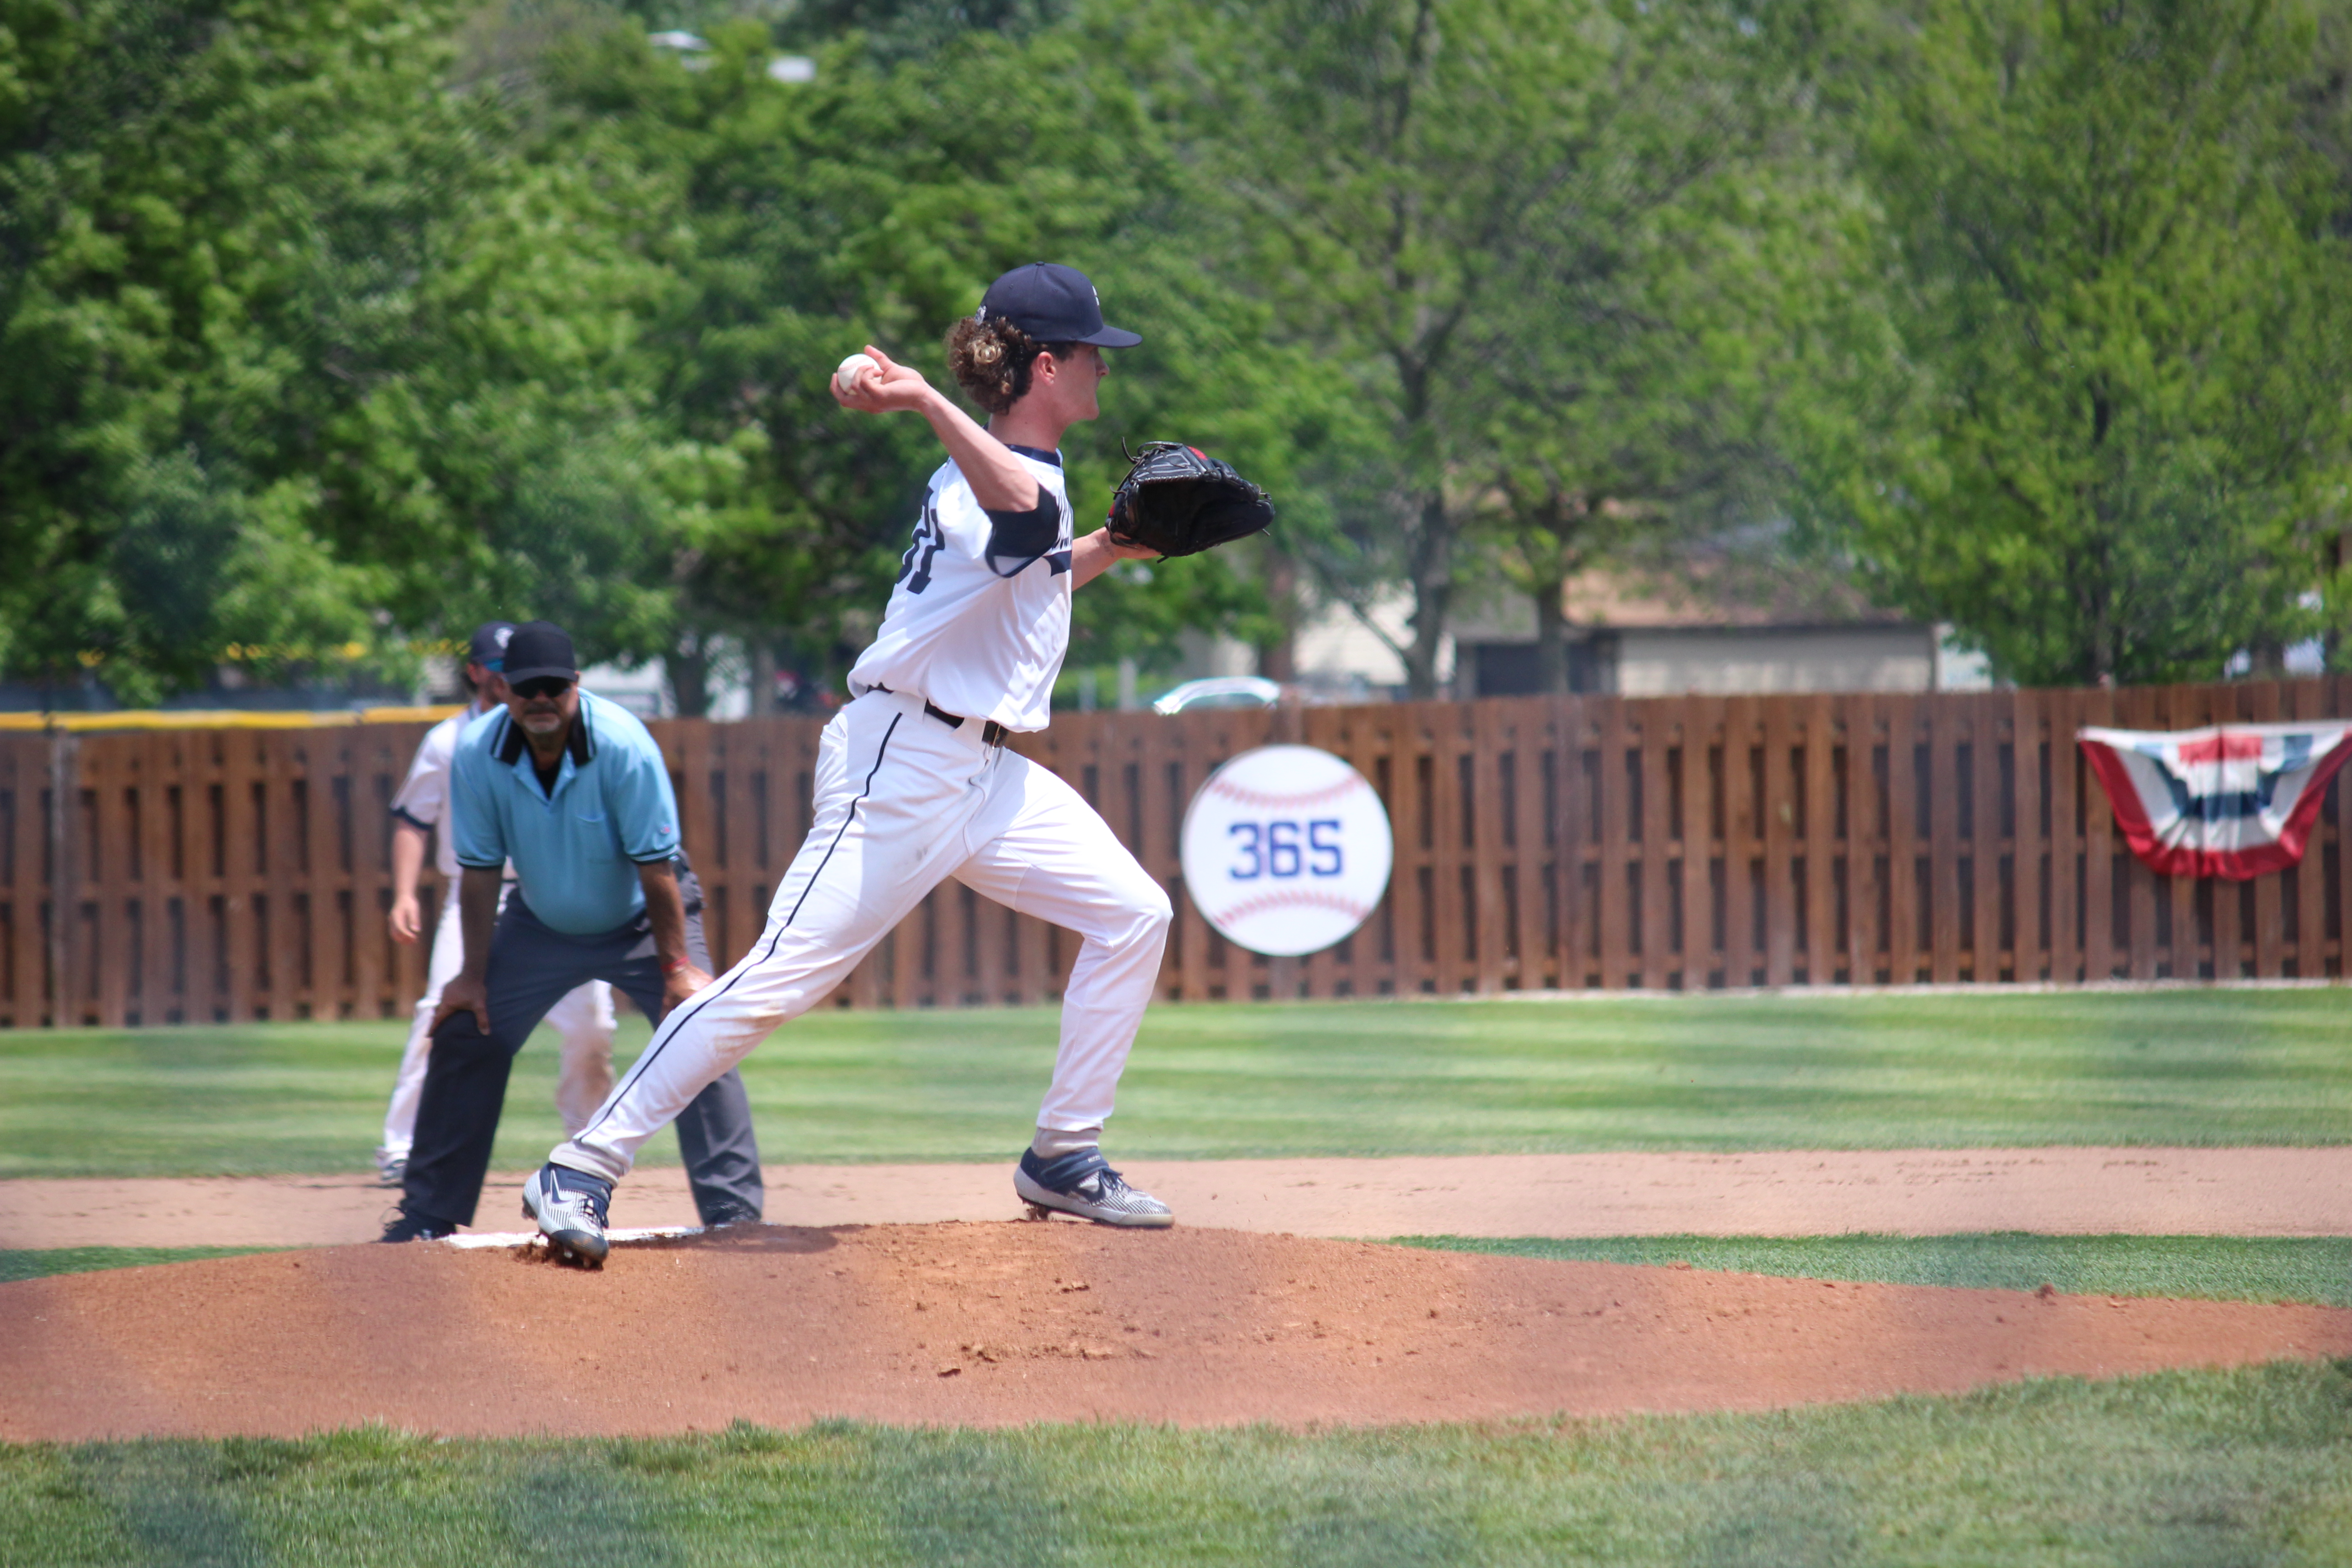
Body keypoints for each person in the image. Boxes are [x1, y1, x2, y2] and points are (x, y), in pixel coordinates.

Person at [524, 262, 1173, 1264]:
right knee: (780, 977)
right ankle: (583, 1163)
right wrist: (920, 398)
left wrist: (1112, 548)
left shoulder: (1012, 479)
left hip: (984, 775)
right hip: (902, 764)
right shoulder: (983, 473)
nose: (1104, 369)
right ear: (1047, 367)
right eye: (1093, 353)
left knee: (1134, 913)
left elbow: (1033, 565)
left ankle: (1065, 1154)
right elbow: (1022, 522)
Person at [380, 620, 765, 1241]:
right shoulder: (476, 753)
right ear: (504, 689)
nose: (541, 700)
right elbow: (477, 873)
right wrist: (471, 978)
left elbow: (656, 868)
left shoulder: (623, 745)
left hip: (645, 915)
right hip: (542, 922)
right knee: (464, 1029)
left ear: (576, 687)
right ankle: (426, 1217)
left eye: (554, 688)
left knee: (700, 1028)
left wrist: (674, 972)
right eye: (527, 688)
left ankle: (734, 1215)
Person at [375, 622, 617, 1188]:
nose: (508, 674)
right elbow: (413, 819)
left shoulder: (558, 730)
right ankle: (403, 1147)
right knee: (440, 1012)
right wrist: (406, 893)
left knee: (594, 1027)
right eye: (495, 664)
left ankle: (589, 1145)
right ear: (476, 672)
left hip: (557, 896)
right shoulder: (450, 740)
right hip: (475, 896)